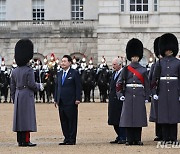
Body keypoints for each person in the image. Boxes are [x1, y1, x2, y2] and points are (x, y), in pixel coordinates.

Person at [10, 39, 43, 147]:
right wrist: (40, 86)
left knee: (19, 119)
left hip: (18, 95)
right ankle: (26, 140)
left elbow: (12, 87)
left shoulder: (14, 71)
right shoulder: (29, 70)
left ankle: (20, 140)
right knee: (27, 118)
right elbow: (32, 84)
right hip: (27, 95)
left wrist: (14, 98)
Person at [116, 38, 149, 146]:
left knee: (138, 118)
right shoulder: (126, 69)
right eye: (133, 56)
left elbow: (147, 85)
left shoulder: (143, 70)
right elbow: (119, 83)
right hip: (129, 94)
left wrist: (146, 96)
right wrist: (120, 94)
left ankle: (137, 139)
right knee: (128, 118)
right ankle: (129, 139)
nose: (135, 58)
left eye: (136, 56)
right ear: (130, 57)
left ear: (139, 57)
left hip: (139, 94)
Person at [152, 33, 180, 144]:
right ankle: (165, 137)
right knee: (163, 115)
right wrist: (154, 91)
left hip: (174, 91)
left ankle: (173, 137)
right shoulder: (160, 63)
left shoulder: (178, 63)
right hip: (162, 90)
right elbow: (154, 79)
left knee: (173, 115)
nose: (168, 51)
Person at [54, 55, 81, 145]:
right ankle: (66, 138)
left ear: (69, 62)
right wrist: (56, 99)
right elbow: (57, 87)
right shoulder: (59, 73)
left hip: (71, 101)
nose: (63, 63)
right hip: (61, 101)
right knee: (63, 121)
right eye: (62, 61)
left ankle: (72, 139)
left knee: (72, 120)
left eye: (65, 61)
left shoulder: (74, 73)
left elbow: (78, 87)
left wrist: (78, 98)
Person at [108, 57, 126, 144]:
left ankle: (123, 136)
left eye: (114, 64)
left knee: (120, 119)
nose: (113, 66)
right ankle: (119, 135)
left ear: (120, 64)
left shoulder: (123, 73)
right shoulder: (114, 73)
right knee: (114, 119)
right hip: (113, 100)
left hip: (120, 100)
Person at [149, 37, 162, 141]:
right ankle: (159, 133)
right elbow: (151, 79)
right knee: (158, 114)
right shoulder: (154, 65)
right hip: (157, 91)